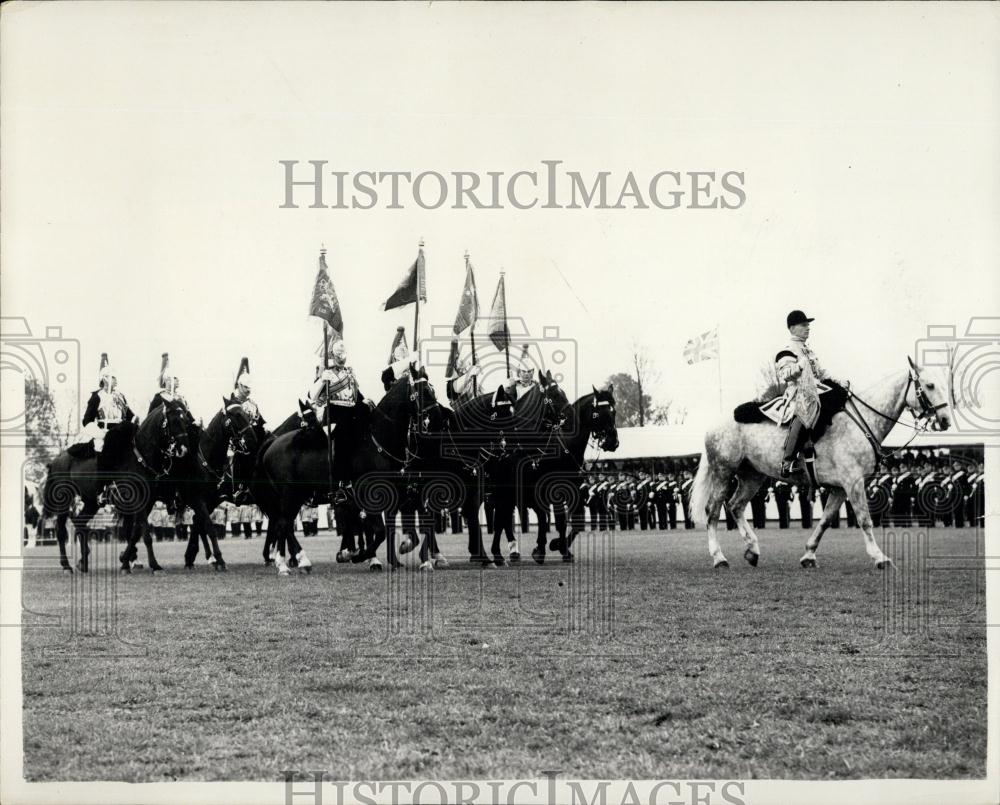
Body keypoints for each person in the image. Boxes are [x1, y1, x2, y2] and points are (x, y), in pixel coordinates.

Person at [775, 311, 849, 477]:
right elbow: (785, 374)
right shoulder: (787, 350)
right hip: (798, 393)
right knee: (805, 409)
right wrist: (799, 367)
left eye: (808, 325)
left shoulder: (808, 350)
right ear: (792, 328)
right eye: (804, 325)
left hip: (816, 389)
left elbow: (821, 372)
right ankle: (787, 461)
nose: (808, 328)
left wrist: (839, 381)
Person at [74, 353, 137, 469]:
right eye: (113, 377)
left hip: (122, 433)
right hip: (104, 434)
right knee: (105, 457)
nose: (116, 380)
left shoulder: (120, 396)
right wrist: (102, 434)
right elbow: (87, 421)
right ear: (105, 379)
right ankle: (105, 484)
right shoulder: (97, 396)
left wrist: (138, 421)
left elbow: (130, 416)